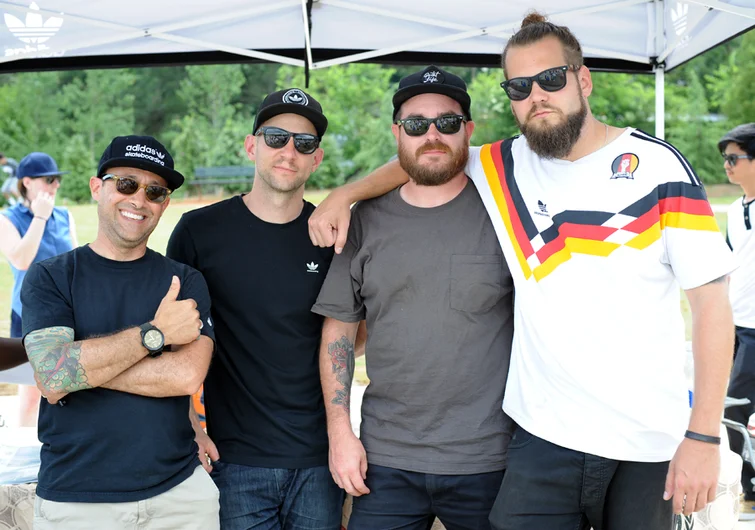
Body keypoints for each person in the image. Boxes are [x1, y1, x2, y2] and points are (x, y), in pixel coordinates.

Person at [308, 13, 736, 530]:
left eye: (551, 79)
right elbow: (427, 155)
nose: (537, 95)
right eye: (519, 86)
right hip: (541, 439)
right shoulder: (504, 164)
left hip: (645, 441)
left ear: (583, 79)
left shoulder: (659, 167)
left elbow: (712, 309)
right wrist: (344, 194)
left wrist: (704, 436)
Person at [312, 67, 514, 529]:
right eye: (416, 124)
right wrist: (340, 434)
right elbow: (339, 332)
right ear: (397, 133)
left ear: (468, 129)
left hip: (490, 459)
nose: (432, 136)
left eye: (446, 123)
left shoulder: (506, 212)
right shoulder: (364, 220)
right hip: (386, 460)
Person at [167, 88, 351, 530]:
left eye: (303, 144)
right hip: (233, 460)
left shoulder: (332, 238)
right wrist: (190, 425)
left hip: (318, 461)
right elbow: (170, 339)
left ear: (316, 159)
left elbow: (349, 337)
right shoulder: (199, 231)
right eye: (275, 138)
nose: (289, 151)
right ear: (252, 145)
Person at [21, 135, 219, 530]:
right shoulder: (51, 277)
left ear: (164, 203)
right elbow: (52, 377)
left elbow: (186, 376)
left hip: (179, 495)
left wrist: (83, 371)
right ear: (98, 187)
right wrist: (155, 333)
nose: (139, 199)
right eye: (126, 183)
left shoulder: (184, 280)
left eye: (155, 191)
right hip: (77, 499)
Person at [0, 152, 77, 427]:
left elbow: (76, 263)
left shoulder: (65, 215)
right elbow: (21, 260)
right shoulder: (7, 218)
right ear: (27, 182)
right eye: (49, 180)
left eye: (57, 180)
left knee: (69, 390)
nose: (56, 186)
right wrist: (39, 218)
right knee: (32, 394)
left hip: (68, 316)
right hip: (29, 316)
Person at [719, 123, 755, 511]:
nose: (727, 166)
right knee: (733, 406)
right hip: (735, 323)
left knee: (741, 404)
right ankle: (748, 484)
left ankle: (752, 486)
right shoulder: (733, 211)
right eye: (725, 159)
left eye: (734, 158)